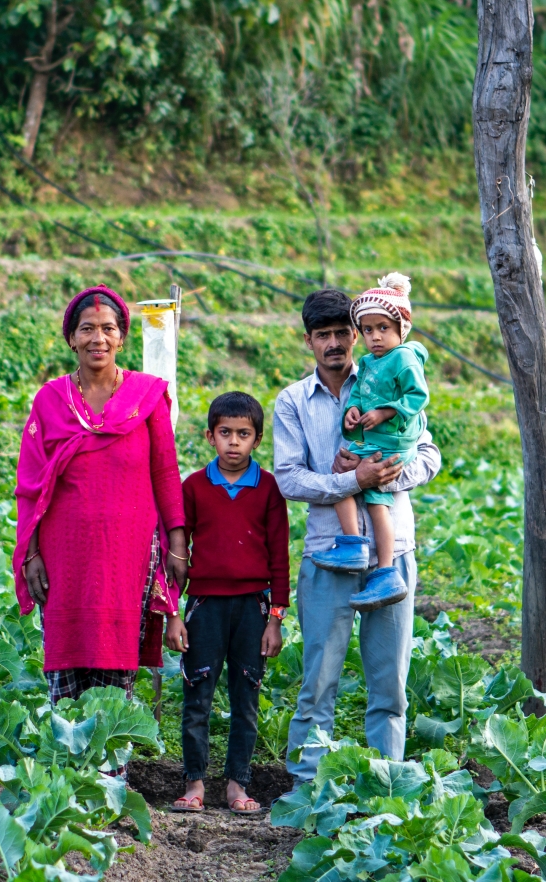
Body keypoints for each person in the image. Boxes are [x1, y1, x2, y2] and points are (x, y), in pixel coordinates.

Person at [273, 288, 441, 785]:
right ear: (308, 341)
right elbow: (289, 478)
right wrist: (352, 481)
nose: (334, 344)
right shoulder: (293, 402)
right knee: (318, 682)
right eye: (321, 336)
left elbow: (428, 456)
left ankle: (386, 784)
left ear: (357, 334)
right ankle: (308, 785)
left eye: (341, 333)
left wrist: (384, 473)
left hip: (394, 554)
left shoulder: (389, 374)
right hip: (329, 554)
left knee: (390, 685)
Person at [13, 285, 186, 703]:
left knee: (117, 653)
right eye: (87, 329)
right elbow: (30, 484)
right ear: (71, 338)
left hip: (127, 553)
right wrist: (31, 553)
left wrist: (177, 544)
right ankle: (68, 757)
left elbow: (165, 473)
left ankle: (111, 763)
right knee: (66, 655)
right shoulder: (50, 400)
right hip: (63, 554)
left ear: (122, 336)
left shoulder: (146, 397)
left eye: (108, 328)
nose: (98, 338)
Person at [165, 391, 289, 816]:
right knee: (197, 695)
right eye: (225, 433)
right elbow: (177, 555)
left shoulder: (268, 487)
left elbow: (279, 556)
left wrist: (275, 617)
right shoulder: (195, 486)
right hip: (205, 607)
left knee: (246, 698)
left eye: (243, 434)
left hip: (253, 609)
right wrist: (174, 613)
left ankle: (238, 784)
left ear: (257, 440)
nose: (233, 442)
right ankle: (194, 783)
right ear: (209, 436)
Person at [317, 273, 428, 612]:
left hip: (393, 437)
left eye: (383, 328)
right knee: (345, 477)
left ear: (401, 328)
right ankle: (358, 549)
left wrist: (384, 413)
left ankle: (381, 566)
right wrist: (352, 411)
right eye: (368, 330)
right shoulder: (368, 363)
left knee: (364, 489)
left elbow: (417, 395)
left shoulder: (405, 358)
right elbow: (362, 396)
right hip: (374, 434)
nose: (375, 337)